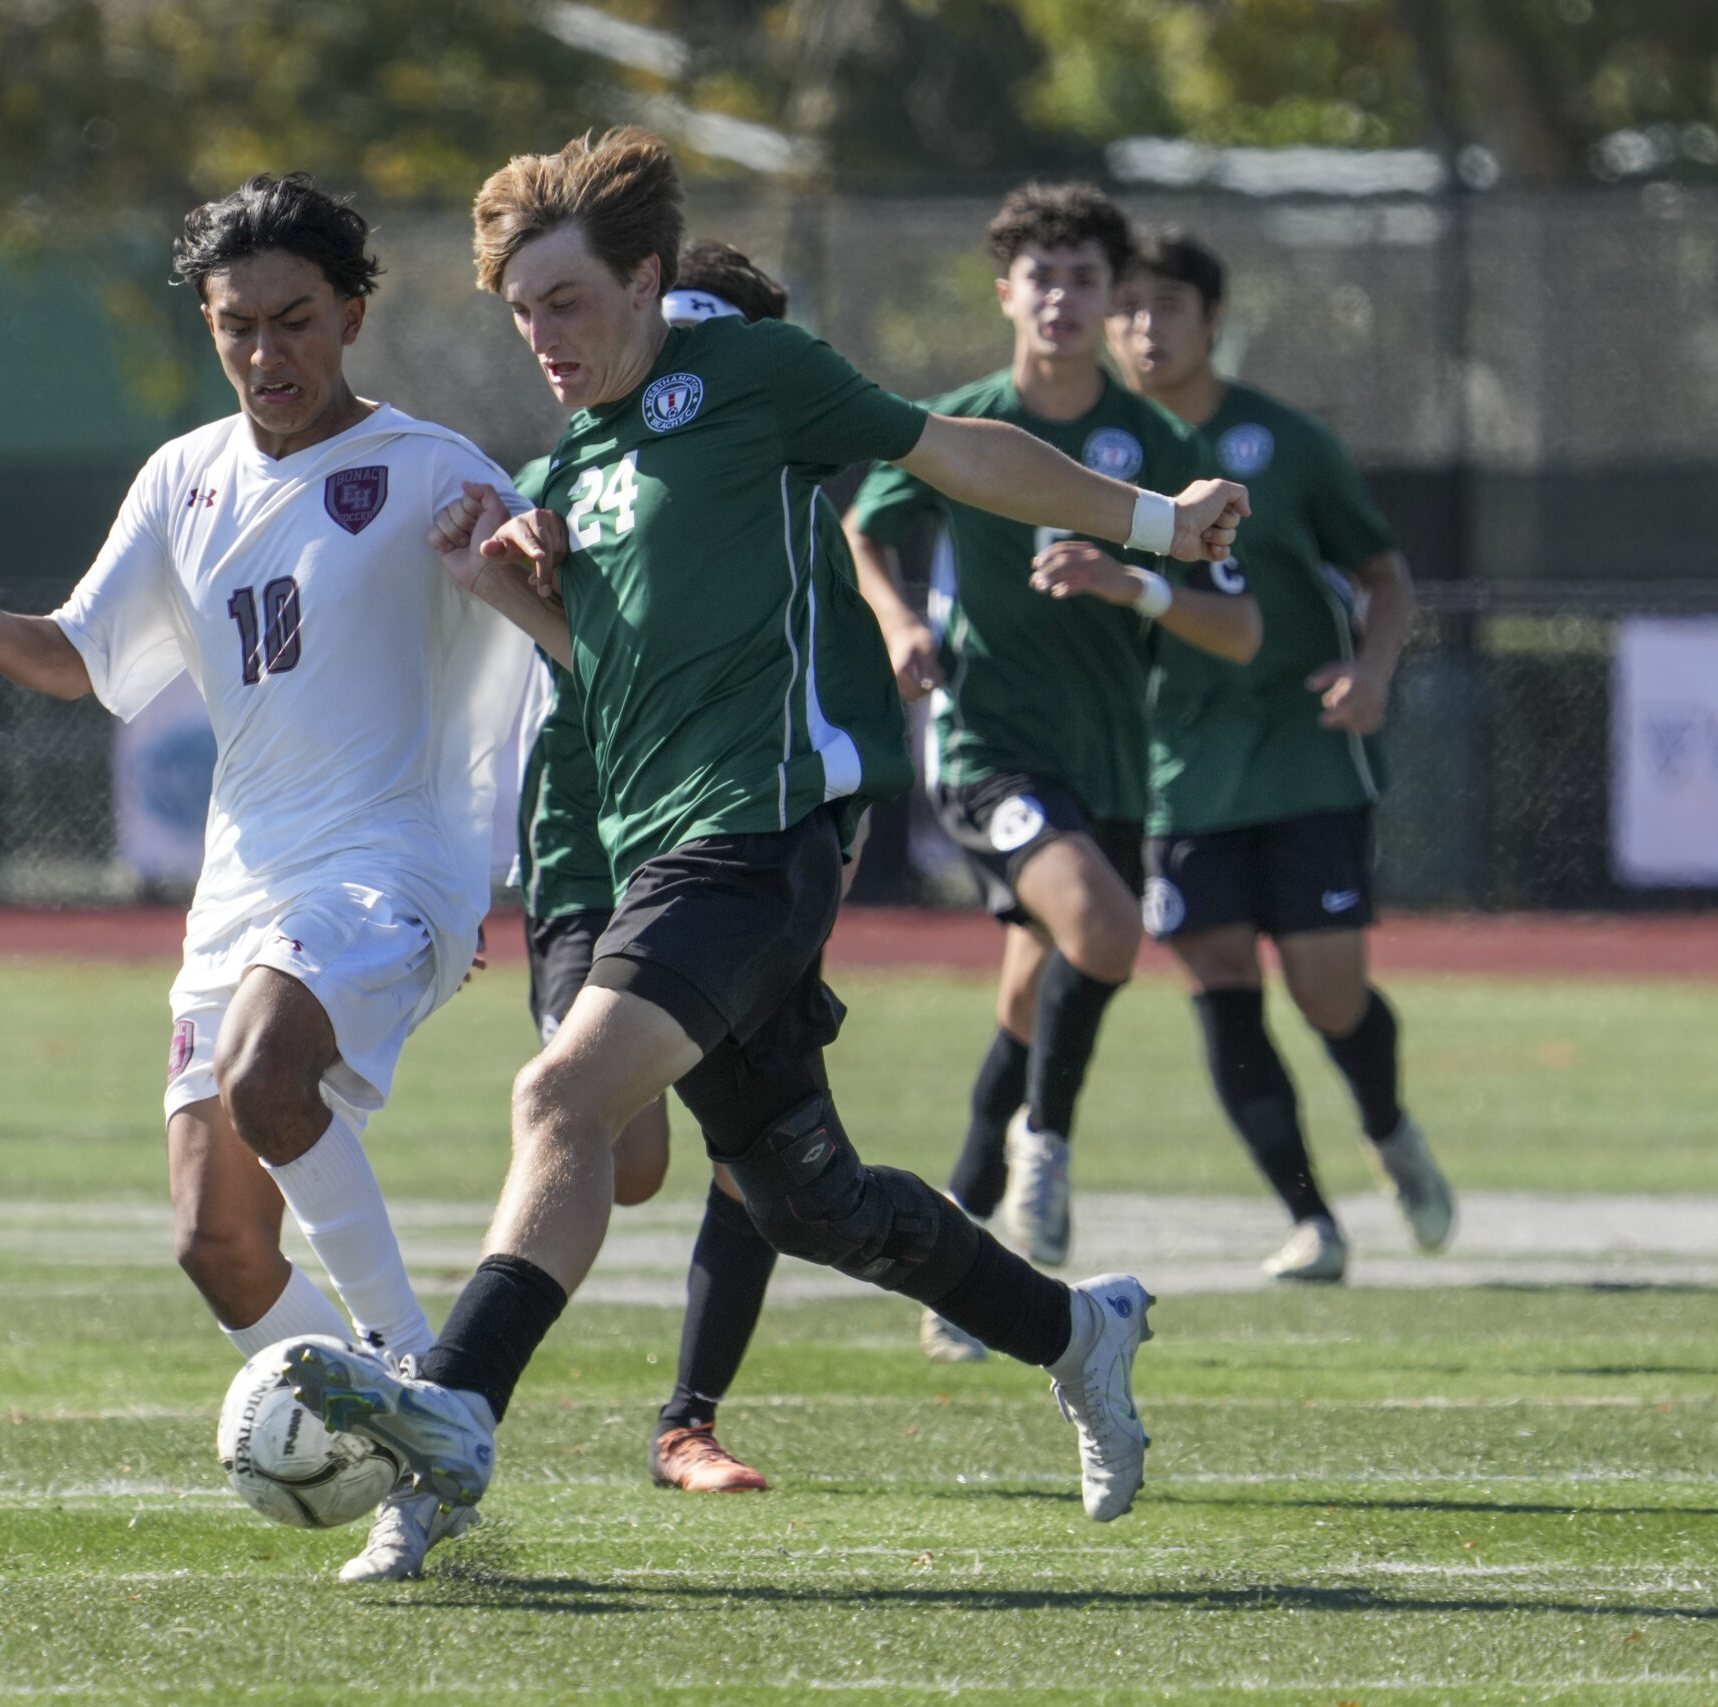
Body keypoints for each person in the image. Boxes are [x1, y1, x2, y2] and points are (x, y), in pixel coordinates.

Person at [277, 128, 1249, 1534]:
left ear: (647, 279)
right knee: (806, 1197)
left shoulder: (746, 378)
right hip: (642, 842)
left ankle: (453, 1424)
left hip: (755, 835)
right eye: (521, 311)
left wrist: (1158, 522)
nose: (543, 335)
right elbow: (603, 674)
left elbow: (958, 453)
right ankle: (1076, 1329)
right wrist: (505, 592)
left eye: (568, 301)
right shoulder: (582, 459)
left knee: (561, 1098)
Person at [0, 174, 555, 1580]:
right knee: (216, 1242)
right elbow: (83, 653)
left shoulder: (435, 467)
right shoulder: (182, 476)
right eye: (238, 325)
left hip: (393, 865)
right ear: (209, 324)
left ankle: (431, 1403)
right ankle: (403, 1452)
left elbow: (549, 631)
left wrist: (526, 572)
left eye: (296, 320)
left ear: (353, 314)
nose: (268, 354)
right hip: (245, 891)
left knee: (266, 1075)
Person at [841, 185, 1259, 1364]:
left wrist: (1137, 581)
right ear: (1005, 292)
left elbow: (1240, 630)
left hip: (1113, 766)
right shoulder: (959, 423)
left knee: (1027, 1007)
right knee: (1111, 932)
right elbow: (864, 529)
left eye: (1085, 278)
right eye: (1044, 276)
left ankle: (956, 1271)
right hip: (987, 750)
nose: (1064, 298)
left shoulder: (1159, 443)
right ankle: (1048, 1150)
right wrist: (898, 622)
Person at [511, 238, 836, 1496]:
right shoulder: (572, 470)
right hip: (588, 856)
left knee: (748, 1152)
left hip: (736, 838)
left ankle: (684, 1423)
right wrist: (507, 541)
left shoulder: (785, 504)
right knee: (616, 1145)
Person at [1104, 228, 1454, 1282]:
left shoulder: (1284, 441)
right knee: (1216, 974)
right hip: (1175, 766)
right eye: (1124, 306)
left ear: (1213, 320)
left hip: (1303, 752)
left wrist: (1376, 672)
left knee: (1326, 988)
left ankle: (1388, 1127)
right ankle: (1311, 1219)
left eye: (1163, 304)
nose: (1139, 326)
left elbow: (1384, 576)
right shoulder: (1093, 450)